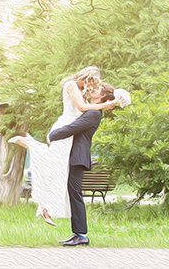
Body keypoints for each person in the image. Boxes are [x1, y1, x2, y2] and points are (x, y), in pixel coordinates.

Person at [8, 67, 116, 227]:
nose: (93, 87)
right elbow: (80, 108)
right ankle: (31, 145)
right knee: (54, 163)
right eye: (94, 83)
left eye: (96, 86)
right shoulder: (71, 85)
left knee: (58, 170)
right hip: (65, 128)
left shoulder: (82, 91)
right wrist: (104, 106)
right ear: (88, 78)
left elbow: (84, 111)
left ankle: (46, 207)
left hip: (70, 133)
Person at [47, 82, 116, 247]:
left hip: (78, 156)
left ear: (103, 96)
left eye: (97, 89)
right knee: (73, 192)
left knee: (75, 192)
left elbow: (73, 127)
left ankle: (81, 234)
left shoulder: (94, 114)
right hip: (75, 155)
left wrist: (53, 135)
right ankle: (78, 233)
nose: (93, 89)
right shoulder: (91, 110)